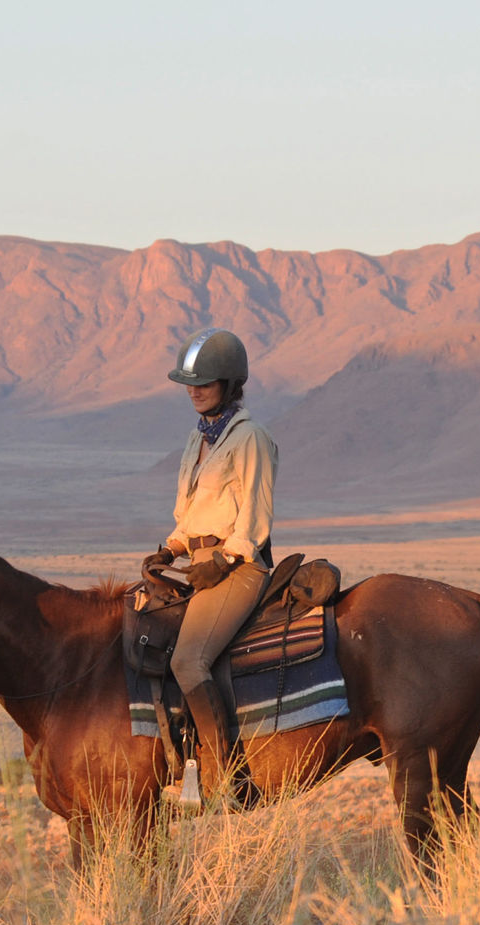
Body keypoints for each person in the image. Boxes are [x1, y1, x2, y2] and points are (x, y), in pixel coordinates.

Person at [141, 327, 278, 806]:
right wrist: (170, 550)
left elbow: (254, 522)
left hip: (238, 569)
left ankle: (230, 778)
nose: (194, 390)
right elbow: (191, 515)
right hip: (198, 563)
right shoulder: (196, 441)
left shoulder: (251, 438)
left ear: (230, 383)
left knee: (188, 659)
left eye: (205, 381)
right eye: (189, 383)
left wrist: (221, 562)